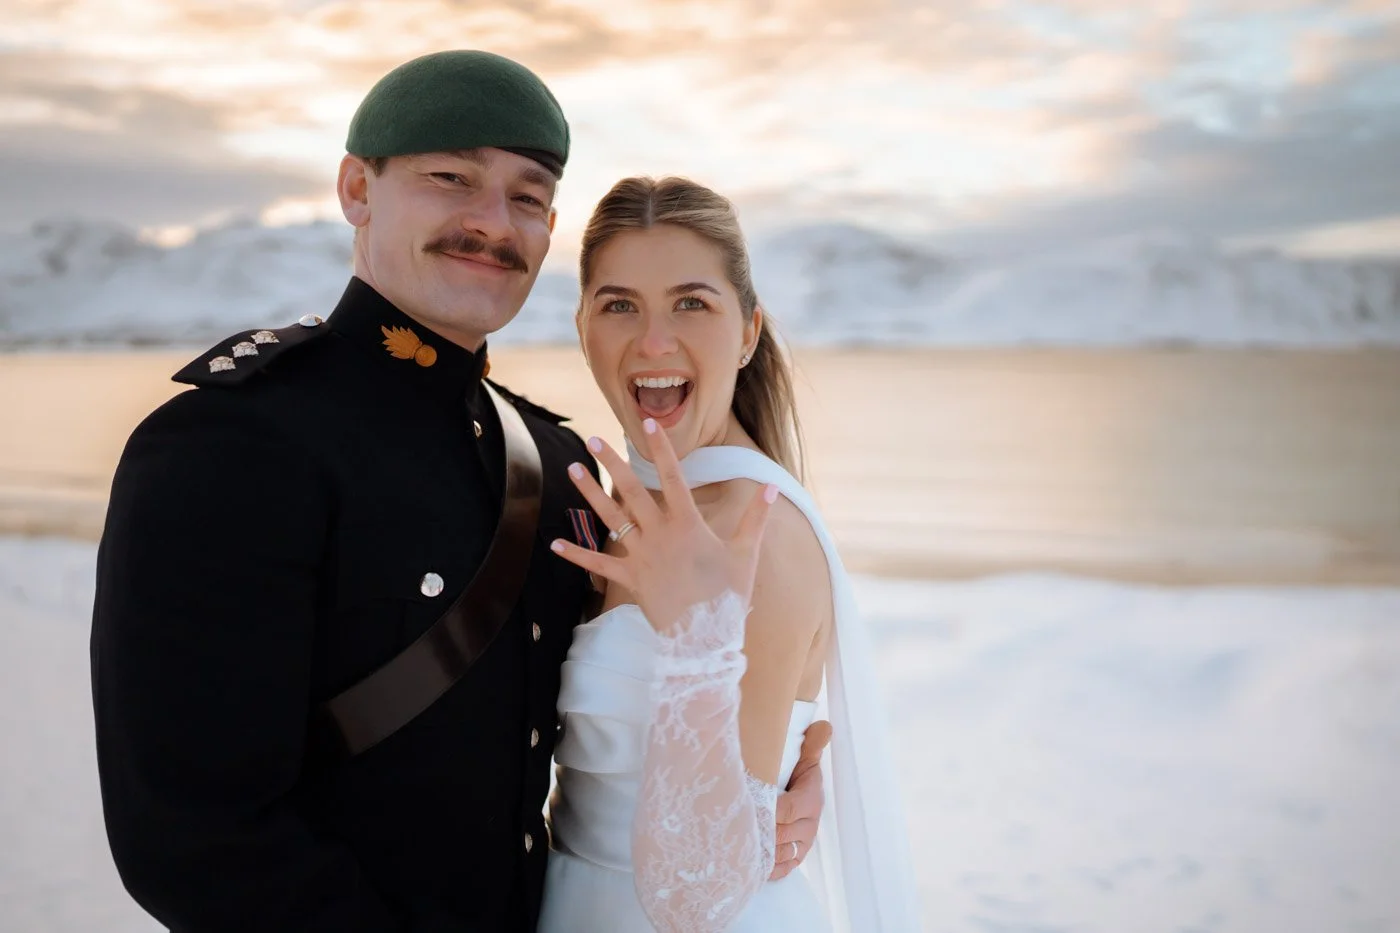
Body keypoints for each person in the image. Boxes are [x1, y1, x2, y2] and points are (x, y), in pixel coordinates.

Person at [89, 51, 825, 933]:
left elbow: (641, 712)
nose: (491, 221)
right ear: (358, 188)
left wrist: (781, 779)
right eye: (451, 178)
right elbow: (190, 839)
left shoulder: (558, 470)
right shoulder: (230, 446)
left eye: (526, 195)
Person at [536, 177, 923, 931]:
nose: (653, 341)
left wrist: (698, 643)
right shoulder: (607, 502)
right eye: (620, 304)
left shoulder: (761, 534)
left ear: (747, 331)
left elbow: (702, 895)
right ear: (583, 326)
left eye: (692, 303)